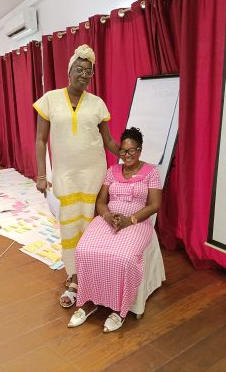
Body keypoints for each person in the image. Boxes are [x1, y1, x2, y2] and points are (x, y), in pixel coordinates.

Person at [33, 44, 119, 307]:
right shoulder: (49, 99)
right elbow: (40, 140)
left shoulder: (97, 104)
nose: (84, 74)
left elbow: (108, 141)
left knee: (91, 223)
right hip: (65, 175)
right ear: (69, 72)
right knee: (69, 225)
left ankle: (91, 270)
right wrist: (39, 174)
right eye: (79, 69)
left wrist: (129, 154)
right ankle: (73, 275)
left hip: (94, 173)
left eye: (89, 71)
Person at [68, 127, 162, 332]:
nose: (127, 155)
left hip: (137, 221)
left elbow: (155, 205)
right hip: (109, 218)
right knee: (84, 250)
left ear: (140, 150)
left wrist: (131, 219)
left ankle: (120, 310)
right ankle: (90, 300)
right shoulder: (112, 171)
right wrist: (108, 216)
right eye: (123, 151)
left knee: (125, 257)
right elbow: (101, 202)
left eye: (132, 151)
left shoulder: (151, 173)